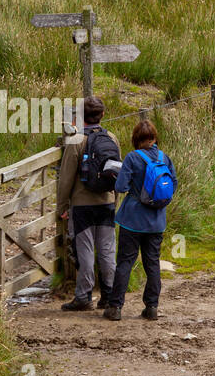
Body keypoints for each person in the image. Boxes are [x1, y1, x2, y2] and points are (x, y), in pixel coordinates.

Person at [104, 119, 176, 322]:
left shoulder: (132, 158)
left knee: (125, 262)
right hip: (156, 221)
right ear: (154, 137)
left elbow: (121, 187)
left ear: (135, 139)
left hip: (132, 220)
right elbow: (174, 183)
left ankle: (115, 307)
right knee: (152, 264)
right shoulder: (164, 158)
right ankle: (152, 307)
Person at [56, 96, 121, 312]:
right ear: (102, 115)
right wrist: (115, 200)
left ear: (80, 116)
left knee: (84, 250)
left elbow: (65, 178)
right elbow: (117, 173)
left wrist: (62, 207)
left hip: (82, 204)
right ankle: (109, 295)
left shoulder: (76, 141)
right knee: (107, 250)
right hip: (107, 202)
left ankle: (84, 296)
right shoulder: (111, 138)